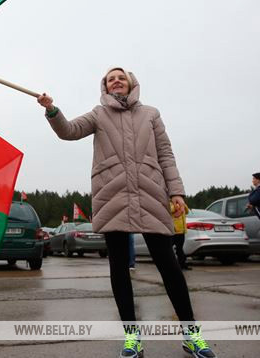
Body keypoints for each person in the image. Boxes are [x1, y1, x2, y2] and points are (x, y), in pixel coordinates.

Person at [37, 67, 215, 358]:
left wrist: (176, 191)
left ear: (132, 84)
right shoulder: (98, 114)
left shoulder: (151, 114)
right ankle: (132, 337)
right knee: (118, 267)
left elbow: (166, 153)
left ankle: (191, 334)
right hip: (113, 193)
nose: (116, 81)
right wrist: (52, 110)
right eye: (110, 79)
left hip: (150, 191)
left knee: (168, 265)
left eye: (121, 77)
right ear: (105, 87)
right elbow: (69, 131)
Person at [171, 200, 191, 270]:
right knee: (169, 248)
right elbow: (171, 210)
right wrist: (177, 205)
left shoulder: (182, 204)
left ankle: (182, 265)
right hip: (174, 231)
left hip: (181, 231)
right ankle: (170, 264)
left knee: (180, 249)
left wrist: (183, 204)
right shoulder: (170, 203)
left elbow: (187, 211)